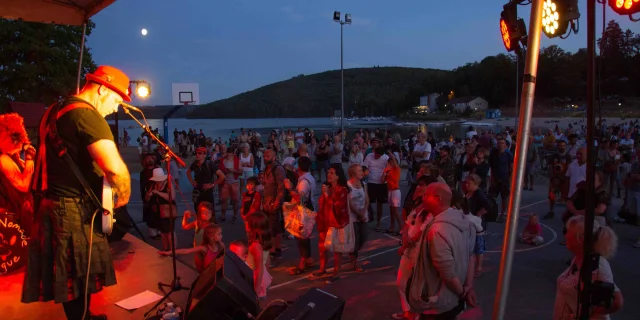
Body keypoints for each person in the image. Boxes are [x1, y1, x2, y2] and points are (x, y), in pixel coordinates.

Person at [22, 66, 133, 320]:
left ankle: (82, 316)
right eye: (116, 100)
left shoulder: (53, 110)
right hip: (71, 208)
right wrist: (122, 198)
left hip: (50, 203)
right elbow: (115, 170)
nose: (115, 108)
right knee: (78, 274)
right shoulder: (87, 115)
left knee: (71, 276)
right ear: (103, 89)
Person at [411, 182, 477, 319]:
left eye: (426, 195)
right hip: (455, 299)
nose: (422, 198)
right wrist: (468, 287)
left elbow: (447, 272)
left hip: (439, 303)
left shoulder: (437, 230)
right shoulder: (465, 222)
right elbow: (471, 256)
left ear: (437, 199)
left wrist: (463, 293)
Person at [553, 216, 623, 320]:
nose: (565, 235)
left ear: (580, 238)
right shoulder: (579, 258)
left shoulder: (598, 266)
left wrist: (593, 315)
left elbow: (617, 301)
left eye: (567, 231)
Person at [0, 113, 35, 233]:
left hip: (17, 215)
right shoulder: (4, 159)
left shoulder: (13, 157)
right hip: (11, 218)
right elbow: (23, 185)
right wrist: (30, 159)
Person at [285, 156, 316, 275]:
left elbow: (300, 199)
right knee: (304, 237)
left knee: (301, 237)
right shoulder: (308, 177)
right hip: (308, 209)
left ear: (299, 167)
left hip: (304, 211)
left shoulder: (303, 182)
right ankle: (308, 259)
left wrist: (290, 188)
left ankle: (302, 264)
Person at [158, 224, 224, 273]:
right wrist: (169, 252)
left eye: (221, 233)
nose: (222, 236)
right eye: (219, 234)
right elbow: (186, 251)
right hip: (207, 275)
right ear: (211, 237)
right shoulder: (204, 248)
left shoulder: (221, 245)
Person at [262, 149, 286, 264]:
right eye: (264, 155)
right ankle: (277, 251)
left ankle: (273, 252)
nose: (265, 157)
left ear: (274, 156)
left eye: (268, 156)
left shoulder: (278, 169)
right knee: (273, 227)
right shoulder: (267, 168)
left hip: (273, 203)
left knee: (272, 228)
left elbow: (281, 187)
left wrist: (276, 202)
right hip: (267, 203)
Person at [146, 168, 177, 251]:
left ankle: (172, 250)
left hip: (168, 211)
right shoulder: (153, 185)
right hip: (158, 212)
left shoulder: (168, 184)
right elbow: (147, 199)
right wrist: (149, 195)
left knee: (170, 232)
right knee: (163, 232)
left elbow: (172, 197)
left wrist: (158, 193)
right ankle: (165, 248)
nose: (158, 181)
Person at [246, 212, 274, 299]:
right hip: (262, 275)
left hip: (255, 277)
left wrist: (257, 288)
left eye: (247, 222)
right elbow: (267, 261)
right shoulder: (263, 241)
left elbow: (259, 268)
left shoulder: (255, 245)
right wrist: (267, 274)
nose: (246, 224)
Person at [347, 164, 369, 272]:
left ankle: (352, 253)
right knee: (355, 238)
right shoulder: (348, 185)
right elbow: (349, 203)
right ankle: (355, 260)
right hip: (353, 216)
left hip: (362, 215)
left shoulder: (363, 184)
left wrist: (364, 211)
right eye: (360, 171)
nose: (362, 172)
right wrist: (358, 214)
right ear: (353, 173)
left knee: (364, 236)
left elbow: (367, 198)